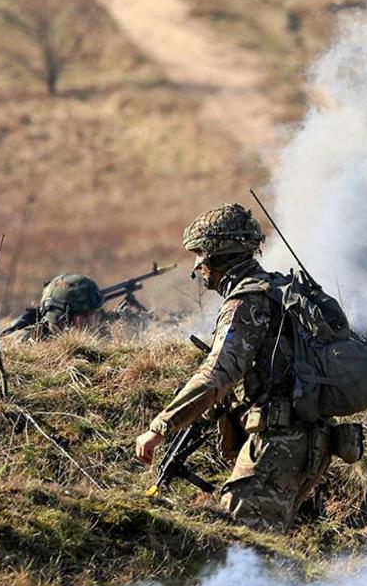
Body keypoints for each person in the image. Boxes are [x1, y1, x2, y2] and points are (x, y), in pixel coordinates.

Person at [134, 203, 333, 532]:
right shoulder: (274, 290)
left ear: (219, 252)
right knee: (265, 549)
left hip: (278, 444)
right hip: (305, 440)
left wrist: (159, 428)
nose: (197, 265)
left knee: (243, 548)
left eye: (200, 254)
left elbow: (218, 374)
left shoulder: (245, 303)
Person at [3, 274, 104, 342]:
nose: (91, 322)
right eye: (84, 316)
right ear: (61, 319)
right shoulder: (27, 341)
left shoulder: (98, 333)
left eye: (93, 313)